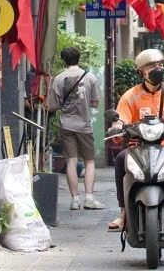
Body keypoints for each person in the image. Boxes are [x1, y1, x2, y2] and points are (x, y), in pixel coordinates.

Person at [108, 49, 164, 236]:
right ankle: (123, 213)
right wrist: (117, 127)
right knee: (121, 160)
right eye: (151, 66)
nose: (158, 68)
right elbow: (121, 118)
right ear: (141, 72)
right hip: (138, 147)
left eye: (160, 64)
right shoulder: (131, 95)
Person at [48, 46, 103, 210]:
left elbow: (53, 106)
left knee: (70, 161)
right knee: (89, 162)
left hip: (66, 125)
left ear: (64, 60)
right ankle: (89, 198)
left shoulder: (58, 79)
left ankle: (74, 200)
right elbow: (95, 102)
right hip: (84, 125)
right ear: (78, 58)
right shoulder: (90, 77)